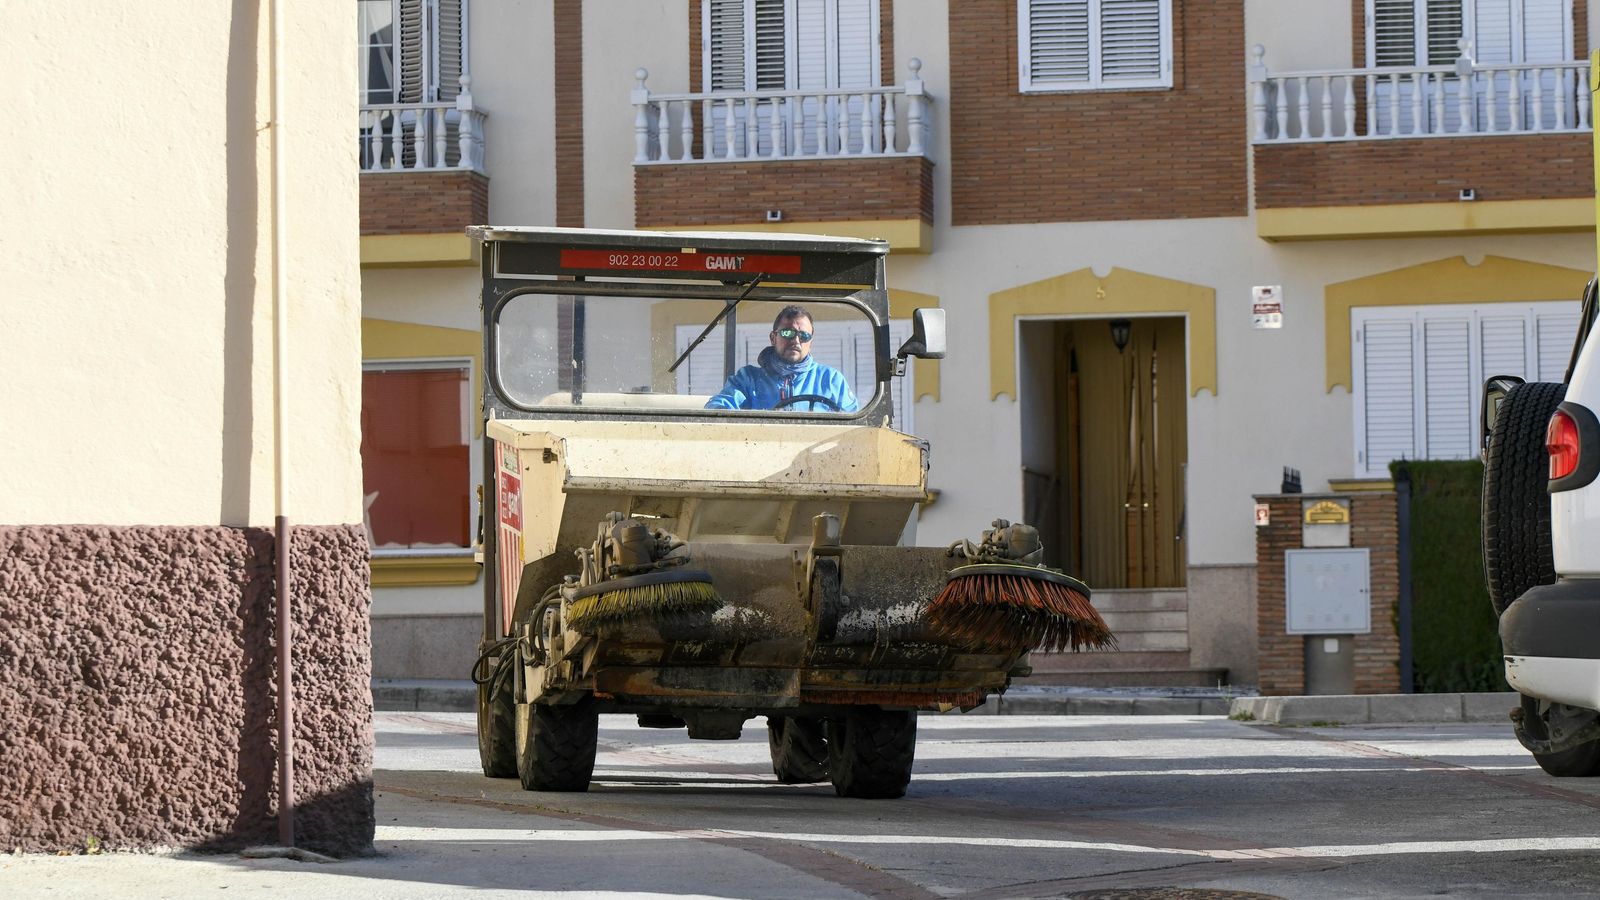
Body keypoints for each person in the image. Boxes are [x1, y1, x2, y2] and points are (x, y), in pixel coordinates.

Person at [704, 305, 858, 412]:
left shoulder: (831, 380)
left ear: (810, 342)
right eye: (787, 334)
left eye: (804, 336)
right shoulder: (748, 379)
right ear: (773, 338)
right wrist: (720, 411)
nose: (796, 341)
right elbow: (720, 407)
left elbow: (854, 423)